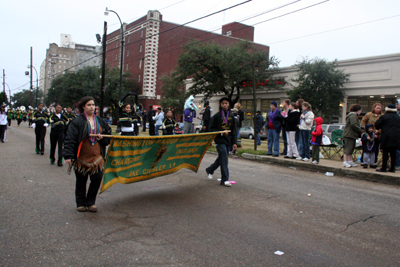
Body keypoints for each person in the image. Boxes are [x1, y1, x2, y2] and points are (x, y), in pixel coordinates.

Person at [64, 96, 111, 212]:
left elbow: (108, 137)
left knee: (97, 179)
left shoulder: (100, 121)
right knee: (81, 181)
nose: (92, 107)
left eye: (93, 105)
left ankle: (90, 203)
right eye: (89, 105)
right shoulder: (77, 122)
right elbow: (70, 139)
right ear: (83, 107)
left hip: (97, 158)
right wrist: (69, 155)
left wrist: (102, 138)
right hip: (81, 158)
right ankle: (80, 203)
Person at [206, 97, 237, 187]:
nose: (225, 105)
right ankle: (224, 179)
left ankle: (210, 169)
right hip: (220, 140)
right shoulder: (216, 116)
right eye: (223, 103)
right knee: (224, 159)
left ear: (229, 105)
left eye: (226, 103)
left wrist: (234, 143)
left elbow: (234, 131)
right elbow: (211, 129)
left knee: (221, 159)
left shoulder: (232, 117)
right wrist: (221, 133)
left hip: (228, 141)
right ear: (220, 105)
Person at [374, 104, 400, 173]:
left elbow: (377, 125)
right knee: (393, 153)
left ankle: (384, 167)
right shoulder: (398, 117)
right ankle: (392, 168)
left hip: (386, 137)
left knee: (385, 152)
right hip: (396, 137)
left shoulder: (384, 117)